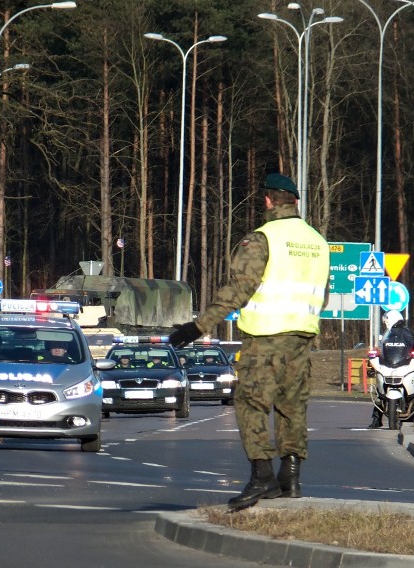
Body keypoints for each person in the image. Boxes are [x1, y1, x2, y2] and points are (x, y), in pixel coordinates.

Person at [169, 173, 330, 512]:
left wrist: (199, 326)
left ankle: (262, 476)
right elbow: (323, 295)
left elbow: (239, 289)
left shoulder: (262, 238)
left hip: (266, 336)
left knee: (250, 404)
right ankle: (291, 477)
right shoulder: (318, 242)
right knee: (292, 405)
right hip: (302, 336)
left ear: (268, 201)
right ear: (295, 202)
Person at [368, 310, 414, 428]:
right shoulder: (388, 336)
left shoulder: (407, 333)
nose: (385, 324)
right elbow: (382, 350)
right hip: (390, 365)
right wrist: (376, 359)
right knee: (380, 391)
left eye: (386, 322)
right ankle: (376, 419)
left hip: (406, 364)